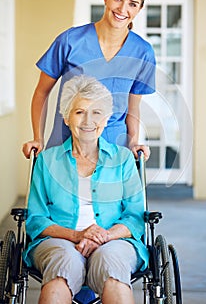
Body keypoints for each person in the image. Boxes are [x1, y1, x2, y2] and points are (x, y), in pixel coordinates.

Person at [23, 75, 149, 304]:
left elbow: (135, 217)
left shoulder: (122, 160)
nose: (88, 120)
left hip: (114, 241)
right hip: (57, 241)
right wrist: (76, 235)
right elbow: (36, 219)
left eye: (97, 112)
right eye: (79, 111)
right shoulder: (47, 161)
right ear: (67, 117)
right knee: (63, 263)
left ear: (107, 118)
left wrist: (104, 237)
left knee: (112, 265)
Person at [22, 0, 156, 161]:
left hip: (114, 151)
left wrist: (133, 141)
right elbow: (41, 92)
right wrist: (38, 138)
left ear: (139, 9)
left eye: (132, 4)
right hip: (66, 147)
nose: (122, 9)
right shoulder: (70, 41)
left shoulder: (143, 52)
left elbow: (132, 108)